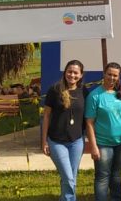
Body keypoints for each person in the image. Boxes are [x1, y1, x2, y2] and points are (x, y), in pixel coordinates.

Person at [42, 59, 86, 201]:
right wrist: (44, 141)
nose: (72, 75)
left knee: (71, 176)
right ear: (65, 72)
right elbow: (47, 116)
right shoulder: (55, 90)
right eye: (69, 71)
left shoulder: (84, 91)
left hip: (76, 141)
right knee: (68, 177)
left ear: (80, 75)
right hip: (56, 141)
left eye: (75, 72)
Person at [85, 62, 121, 201]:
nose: (112, 77)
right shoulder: (95, 95)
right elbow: (89, 123)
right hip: (103, 144)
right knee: (102, 177)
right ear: (104, 74)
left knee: (116, 175)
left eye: (115, 75)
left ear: (119, 77)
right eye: (109, 74)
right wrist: (93, 146)